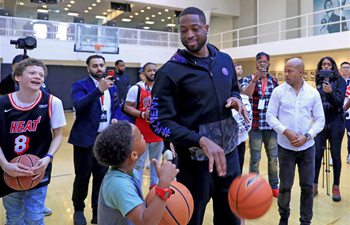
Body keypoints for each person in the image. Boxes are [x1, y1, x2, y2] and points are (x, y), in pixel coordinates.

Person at [150, 7, 248, 225]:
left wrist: (235, 98)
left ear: (206, 28)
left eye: (195, 29)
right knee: (191, 220)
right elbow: (158, 122)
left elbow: (233, 88)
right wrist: (200, 140)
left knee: (231, 219)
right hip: (194, 165)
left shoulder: (224, 60)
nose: (189, 35)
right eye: (183, 30)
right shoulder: (169, 72)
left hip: (229, 157)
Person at [0, 58, 66, 224]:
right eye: (32, 73)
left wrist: (48, 157)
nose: (38, 76)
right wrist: (5, 165)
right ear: (17, 77)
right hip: (9, 168)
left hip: (38, 168)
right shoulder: (2, 104)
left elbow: (59, 134)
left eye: (41, 74)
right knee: (14, 217)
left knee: (35, 217)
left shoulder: (53, 102)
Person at [267, 58, 325, 225]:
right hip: (285, 147)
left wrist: (307, 135)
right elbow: (270, 116)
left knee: (307, 187)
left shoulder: (313, 93)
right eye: (285, 70)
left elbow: (320, 120)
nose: (286, 74)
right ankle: (283, 217)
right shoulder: (278, 92)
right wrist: (285, 131)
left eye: (290, 71)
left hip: (307, 148)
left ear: (301, 73)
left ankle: (305, 221)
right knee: (285, 186)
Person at [68, 55, 125, 225]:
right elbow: (79, 105)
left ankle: (96, 211)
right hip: (84, 139)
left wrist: (116, 117)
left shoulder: (112, 87)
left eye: (101, 65)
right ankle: (78, 209)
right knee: (82, 177)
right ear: (88, 68)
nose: (99, 68)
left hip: (104, 140)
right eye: (94, 66)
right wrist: (98, 90)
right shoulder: (79, 85)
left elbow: (117, 108)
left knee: (101, 178)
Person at [93, 121, 178, 225]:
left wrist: (158, 187)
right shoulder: (118, 185)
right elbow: (146, 223)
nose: (143, 135)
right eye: (140, 135)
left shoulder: (129, 172)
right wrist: (163, 184)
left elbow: (141, 207)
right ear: (133, 155)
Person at [241, 52, 279, 197]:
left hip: (271, 126)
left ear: (269, 64)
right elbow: (247, 94)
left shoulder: (274, 81)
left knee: (273, 158)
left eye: (265, 61)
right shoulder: (248, 79)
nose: (262, 64)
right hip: (255, 126)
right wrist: (255, 80)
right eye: (259, 61)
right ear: (256, 64)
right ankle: (254, 185)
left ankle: (274, 185)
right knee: (255, 158)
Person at [124, 62, 163, 188]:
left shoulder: (162, 88)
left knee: (155, 163)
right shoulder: (136, 89)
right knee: (139, 165)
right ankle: (137, 191)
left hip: (158, 133)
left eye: (154, 70)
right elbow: (127, 107)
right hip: (141, 134)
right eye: (149, 70)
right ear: (143, 73)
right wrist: (141, 114)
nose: (152, 73)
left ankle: (153, 191)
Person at [313, 56, 346, 202]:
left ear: (333, 66)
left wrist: (330, 92)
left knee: (336, 154)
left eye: (328, 64)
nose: (326, 66)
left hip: (336, 121)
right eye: (323, 64)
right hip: (321, 122)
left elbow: (339, 102)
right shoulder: (318, 81)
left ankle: (336, 186)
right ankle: (314, 184)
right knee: (317, 154)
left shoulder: (341, 81)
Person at [234, 63, 252, 173]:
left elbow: (247, 118)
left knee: (238, 169)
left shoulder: (243, 96)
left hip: (240, 140)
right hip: (229, 141)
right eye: (238, 68)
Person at [341, 61, 350, 164]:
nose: (346, 69)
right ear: (340, 69)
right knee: (335, 136)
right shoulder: (337, 81)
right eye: (344, 68)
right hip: (338, 111)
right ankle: (333, 156)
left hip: (349, 112)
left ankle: (349, 154)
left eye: (348, 67)